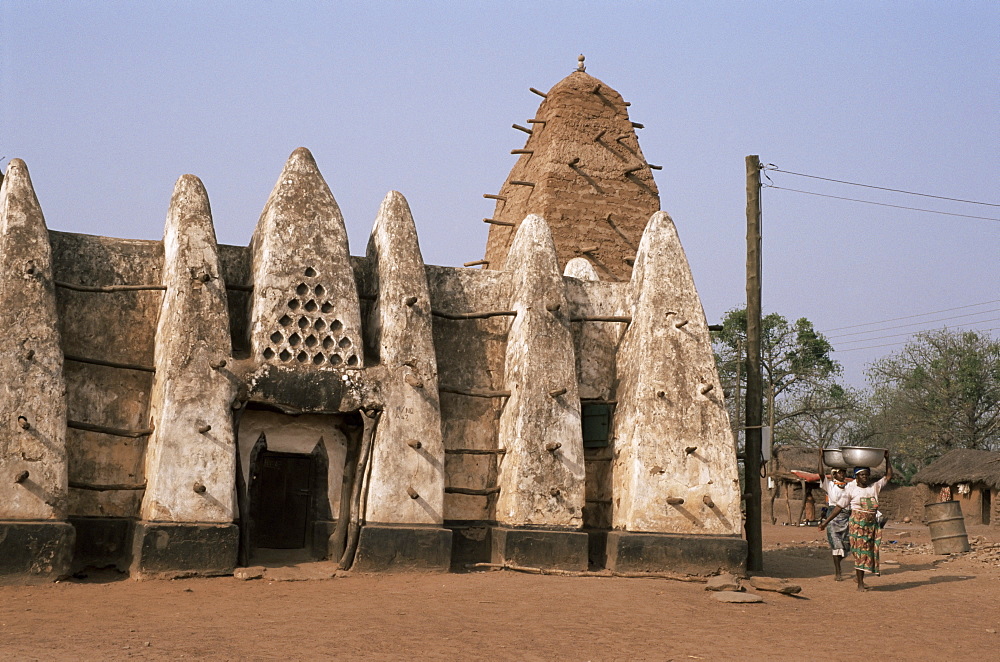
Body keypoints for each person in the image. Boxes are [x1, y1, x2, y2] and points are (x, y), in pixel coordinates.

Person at [819, 449, 893, 592]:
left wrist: (887, 459)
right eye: (862, 475)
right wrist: (825, 522)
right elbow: (838, 507)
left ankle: (860, 580)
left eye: (866, 475)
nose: (865, 477)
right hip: (857, 525)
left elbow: (889, 476)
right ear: (856, 477)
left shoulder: (874, 488)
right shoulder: (850, 490)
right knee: (860, 552)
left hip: (871, 525)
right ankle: (859, 583)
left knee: (868, 553)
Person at [816, 449, 851, 581]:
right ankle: (838, 572)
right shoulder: (829, 485)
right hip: (833, 518)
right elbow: (820, 474)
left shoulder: (849, 486)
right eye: (840, 472)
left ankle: (839, 563)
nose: (842, 474)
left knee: (848, 545)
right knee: (836, 546)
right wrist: (820, 457)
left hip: (847, 516)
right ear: (834, 475)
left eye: (843, 472)